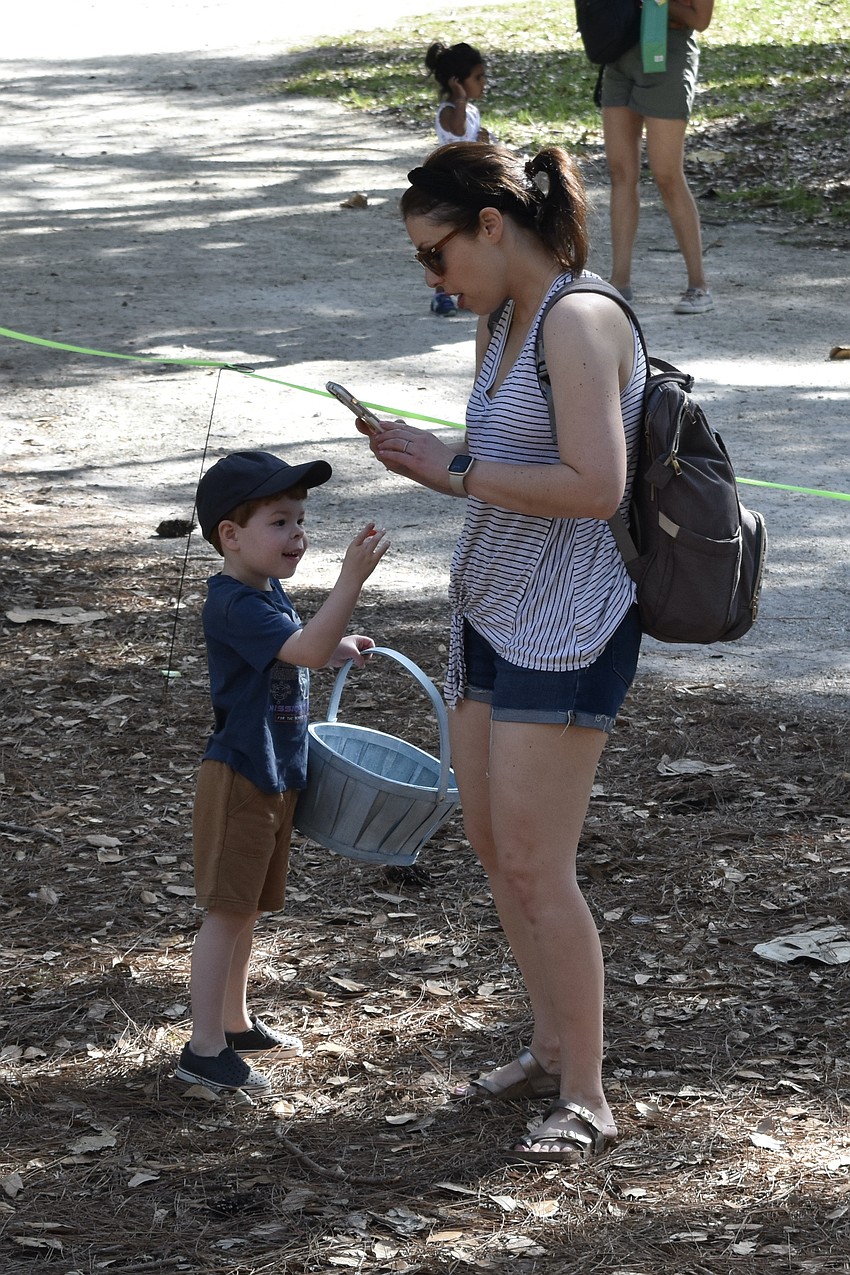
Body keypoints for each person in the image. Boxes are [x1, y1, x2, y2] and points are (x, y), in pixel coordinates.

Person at [361, 142, 644, 1163]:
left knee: (535, 861)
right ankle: (549, 1044)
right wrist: (427, 460)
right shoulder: (500, 319)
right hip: (490, 606)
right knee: (493, 847)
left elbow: (596, 488)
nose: (433, 280)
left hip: (568, 624)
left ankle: (588, 1094)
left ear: (490, 225)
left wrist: (456, 469)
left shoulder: (578, 317)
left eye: (435, 255)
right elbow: (497, 467)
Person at [176, 450, 389, 1094]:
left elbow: (296, 650)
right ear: (230, 535)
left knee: (247, 909)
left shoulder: (265, 591)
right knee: (226, 911)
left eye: (300, 521)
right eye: (279, 522)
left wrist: (336, 646)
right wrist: (349, 583)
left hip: (274, 773)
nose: (297, 534)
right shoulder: (232, 603)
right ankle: (203, 1048)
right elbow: (303, 648)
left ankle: (234, 1022)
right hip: (241, 776)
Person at [601, 0, 715, 313]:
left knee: (666, 174)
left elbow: (700, 19)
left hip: (668, 55)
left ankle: (699, 286)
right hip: (620, 52)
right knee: (621, 172)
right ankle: (619, 283)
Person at [424, 40, 490, 318]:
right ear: (457, 83)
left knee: (471, 239)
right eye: (477, 78)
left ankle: (469, 290)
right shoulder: (449, 112)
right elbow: (459, 131)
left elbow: (469, 142)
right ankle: (441, 295)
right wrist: (460, 98)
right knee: (446, 243)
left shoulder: (471, 111)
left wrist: (484, 145)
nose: (484, 83)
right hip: (450, 187)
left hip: (470, 185)